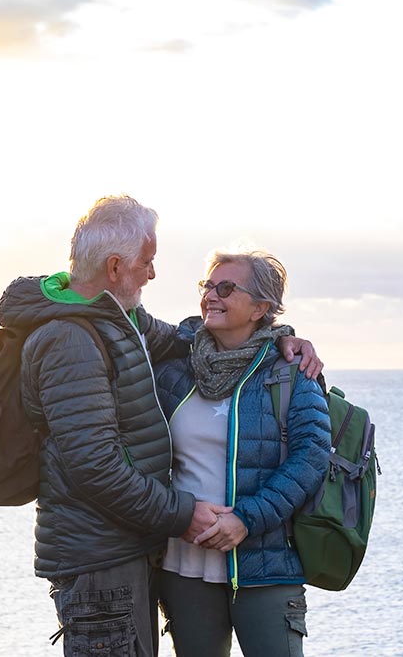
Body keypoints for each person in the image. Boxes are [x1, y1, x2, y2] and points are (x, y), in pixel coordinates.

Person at [0, 195, 321, 657]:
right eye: (147, 262)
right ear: (114, 268)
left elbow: (188, 337)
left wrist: (282, 336)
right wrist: (182, 514)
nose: (153, 273)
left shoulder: (119, 319)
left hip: (142, 553)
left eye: (225, 288)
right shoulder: (71, 339)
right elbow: (95, 465)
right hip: (100, 558)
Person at [153, 248, 331, 657]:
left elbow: (311, 459)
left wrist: (245, 520)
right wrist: (176, 512)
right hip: (184, 565)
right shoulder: (174, 367)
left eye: (226, 288)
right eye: (207, 286)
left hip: (265, 567)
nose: (211, 296)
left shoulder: (290, 373)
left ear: (260, 308)